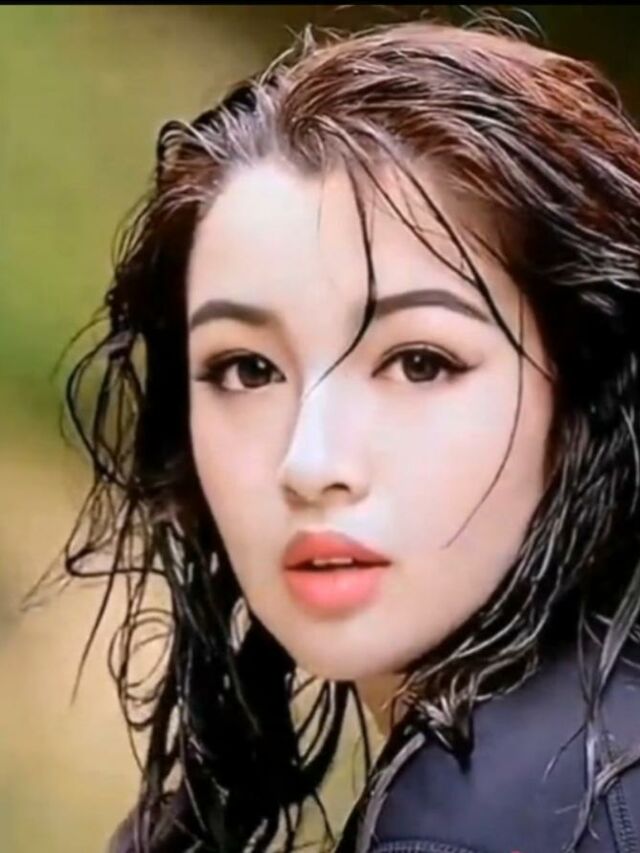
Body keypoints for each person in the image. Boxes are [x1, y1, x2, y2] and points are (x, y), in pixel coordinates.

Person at [60, 14, 640, 853]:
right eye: (247, 369)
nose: (310, 461)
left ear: (584, 390)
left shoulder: (478, 821)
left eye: (419, 362)